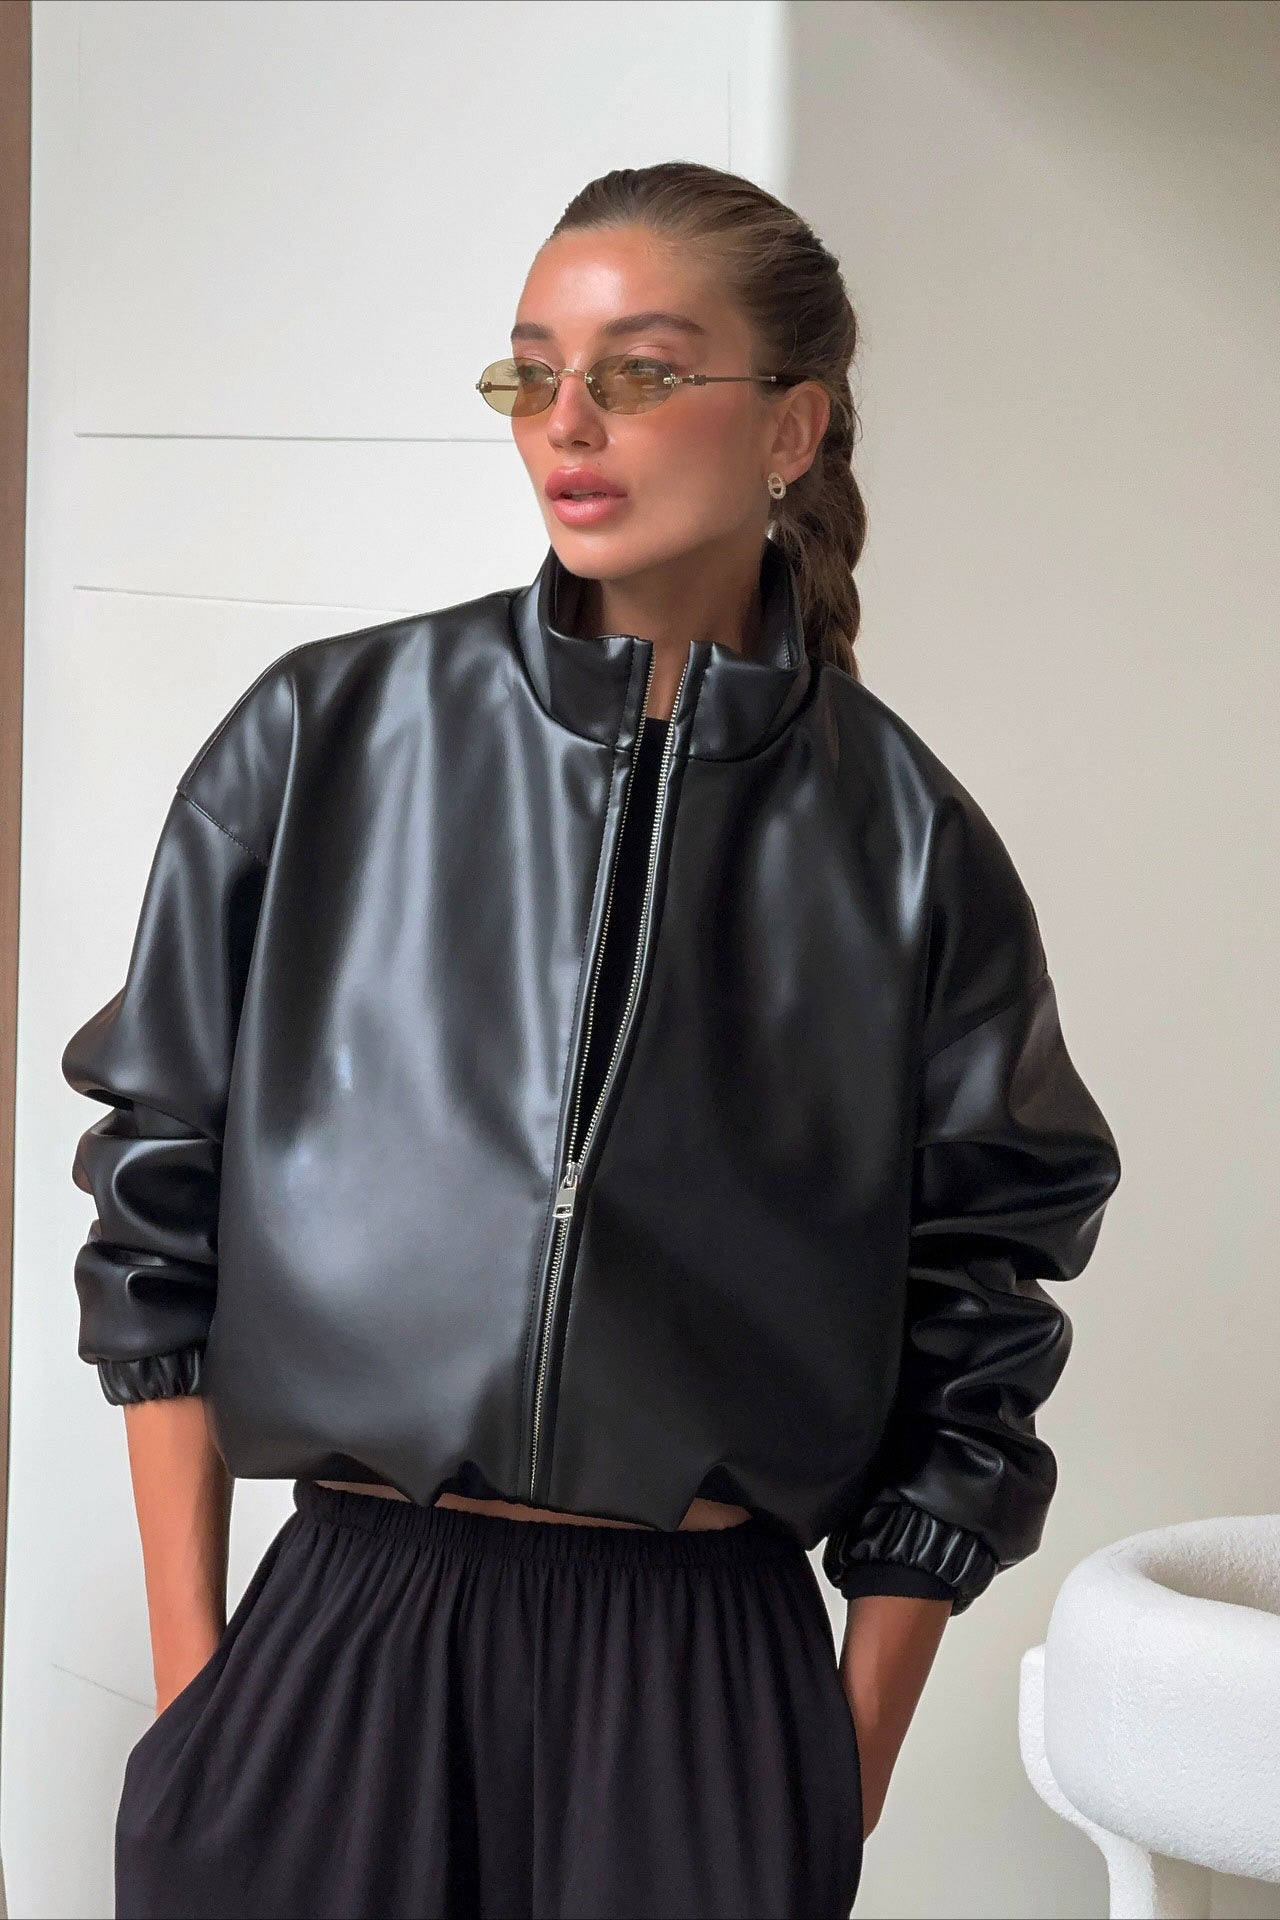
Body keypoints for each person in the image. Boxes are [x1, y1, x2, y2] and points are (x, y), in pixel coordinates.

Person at [61, 161, 1122, 1920]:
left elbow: (980, 1324)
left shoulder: (909, 847)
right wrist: (199, 1695)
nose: (568, 421)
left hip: (697, 1691)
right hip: (339, 1650)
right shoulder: (321, 740)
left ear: (791, 427)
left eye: (639, 370)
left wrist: (832, 1770)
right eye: (530, 371)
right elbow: (156, 1214)